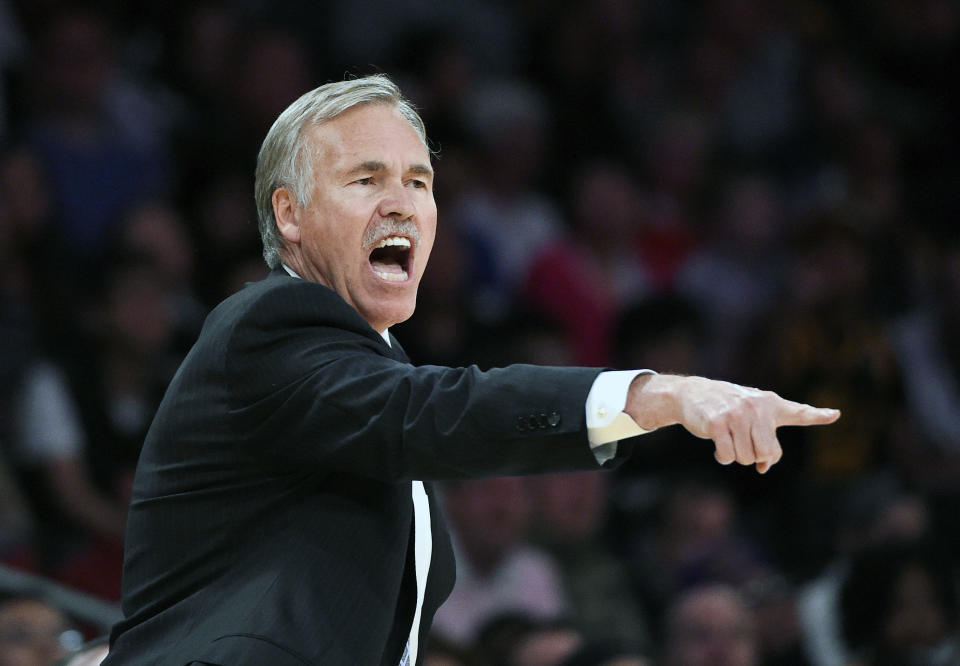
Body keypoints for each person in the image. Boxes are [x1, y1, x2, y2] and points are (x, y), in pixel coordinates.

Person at [103, 74, 839, 665]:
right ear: (290, 216)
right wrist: (659, 393)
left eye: (419, 182)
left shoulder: (365, 368)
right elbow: (433, 411)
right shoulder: (272, 325)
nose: (402, 204)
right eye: (366, 179)